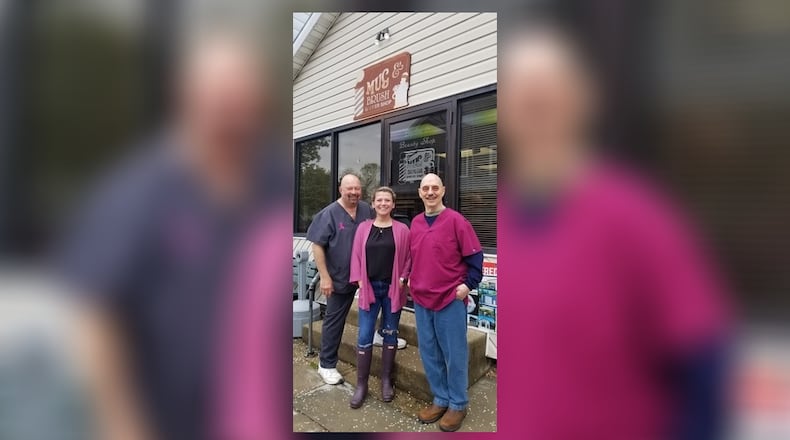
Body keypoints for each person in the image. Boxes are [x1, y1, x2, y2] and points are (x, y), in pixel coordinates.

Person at [498, 23, 732, 440]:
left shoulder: (638, 216)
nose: (534, 108)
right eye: (522, 97)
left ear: (583, 102)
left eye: (548, 95)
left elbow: (702, 369)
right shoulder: (505, 215)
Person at [55, 32, 272, 440]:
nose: (233, 115)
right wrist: (121, 424)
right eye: (220, 99)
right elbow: (94, 315)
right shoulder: (137, 191)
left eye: (243, 101)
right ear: (187, 100)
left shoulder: (270, 179)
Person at [409, 173, 483, 432]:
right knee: (429, 352)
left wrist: (467, 286)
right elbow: (413, 255)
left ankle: (458, 403)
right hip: (421, 298)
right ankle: (440, 398)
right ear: (420, 192)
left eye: (434, 188)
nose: (430, 192)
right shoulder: (416, 222)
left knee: (454, 354)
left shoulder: (456, 221)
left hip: (450, 299)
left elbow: (475, 259)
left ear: (443, 190)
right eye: (425, 188)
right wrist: (408, 278)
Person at [306, 174, 374, 385]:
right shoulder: (329, 214)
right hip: (338, 278)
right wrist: (325, 277)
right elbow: (317, 245)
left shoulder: (366, 210)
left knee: (373, 309)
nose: (353, 192)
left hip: (366, 276)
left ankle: (377, 336)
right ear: (340, 190)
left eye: (357, 188)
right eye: (349, 189)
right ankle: (326, 364)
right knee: (334, 322)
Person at [348, 187, 411, 408]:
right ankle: (361, 385)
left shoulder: (403, 229)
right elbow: (356, 257)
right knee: (364, 335)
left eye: (387, 200)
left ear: (393, 205)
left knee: (391, 333)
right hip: (370, 289)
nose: (383, 203)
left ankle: (386, 380)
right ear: (373, 204)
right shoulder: (363, 229)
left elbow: (409, 258)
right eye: (379, 200)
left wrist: (404, 277)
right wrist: (360, 281)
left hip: (393, 288)